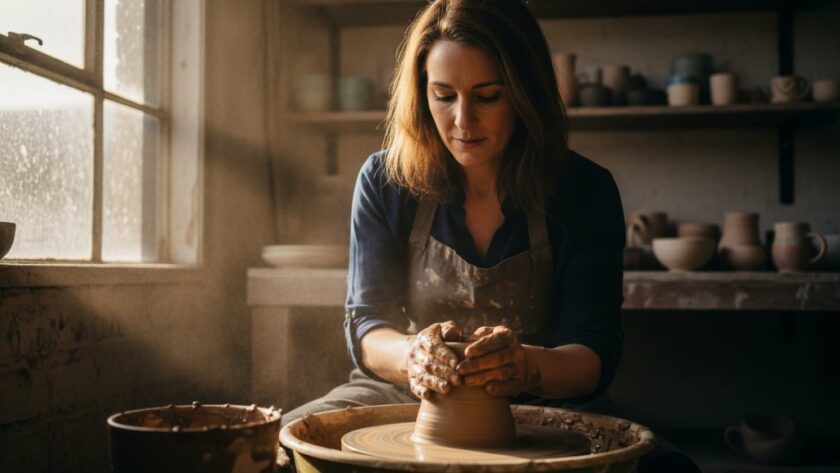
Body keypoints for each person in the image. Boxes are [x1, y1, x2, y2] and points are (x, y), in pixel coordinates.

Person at [283, 1, 699, 471]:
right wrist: (414, 355)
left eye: (487, 96)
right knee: (278, 447)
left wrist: (524, 366)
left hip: (546, 399)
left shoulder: (583, 190)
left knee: (666, 468)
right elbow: (367, 326)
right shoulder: (386, 181)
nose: (463, 120)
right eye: (444, 95)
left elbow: (593, 355)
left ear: (525, 94)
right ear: (421, 95)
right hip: (403, 391)